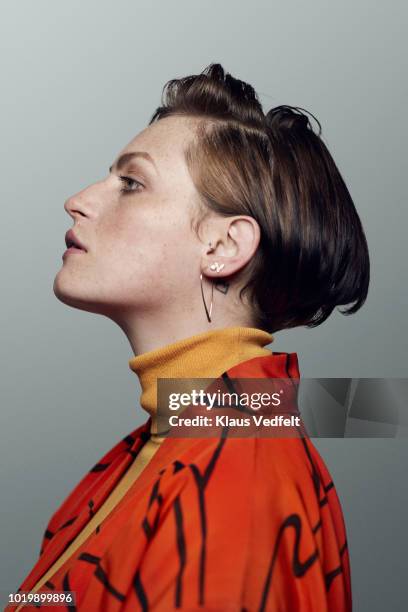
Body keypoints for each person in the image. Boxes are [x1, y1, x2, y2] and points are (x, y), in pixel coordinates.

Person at [9, 63, 369, 611]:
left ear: (224, 247)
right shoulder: (167, 441)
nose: (78, 199)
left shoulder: (237, 475)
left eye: (131, 183)